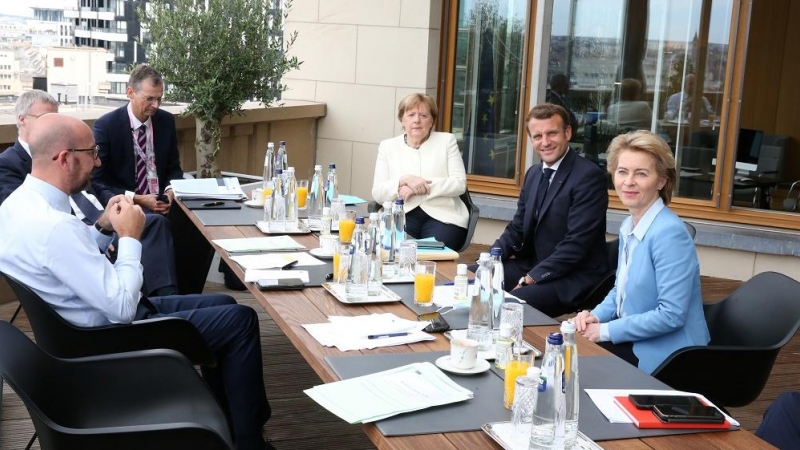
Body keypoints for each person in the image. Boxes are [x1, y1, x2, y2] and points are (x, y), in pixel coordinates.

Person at [0, 113, 271, 450]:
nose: (98, 163)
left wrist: (101, 227)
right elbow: (123, 308)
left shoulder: (18, 206)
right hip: (108, 338)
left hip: (76, 329)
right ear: (65, 158)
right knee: (241, 320)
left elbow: (65, 262)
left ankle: (233, 426)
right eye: (92, 153)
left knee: (225, 303)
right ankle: (248, 442)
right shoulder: (54, 227)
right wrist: (130, 237)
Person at [0, 89, 179, 296]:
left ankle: (166, 299)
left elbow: (94, 186)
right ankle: (163, 309)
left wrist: (113, 209)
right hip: (73, 241)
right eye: (44, 118)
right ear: (22, 120)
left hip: (98, 221)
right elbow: (30, 222)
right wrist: (88, 233)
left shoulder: (70, 154)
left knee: (159, 223)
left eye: (56, 118)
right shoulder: (9, 165)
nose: (53, 125)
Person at [574, 130, 710, 374]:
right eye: (622, 171)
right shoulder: (631, 225)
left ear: (661, 181)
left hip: (671, 355)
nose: (628, 181)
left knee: (575, 367)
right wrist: (595, 317)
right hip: (636, 338)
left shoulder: (669, 234)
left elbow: (671, 315)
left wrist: (604, 331)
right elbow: (621, 290)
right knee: (565, 352)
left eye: (641, 173)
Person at [492, 103, 609, 317]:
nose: (545, 142)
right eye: (537, 136)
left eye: (552, 133)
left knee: (508, 309)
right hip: (533, 264)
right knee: (472, 281)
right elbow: (517, 227)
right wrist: (490, 259)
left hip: (571, 276)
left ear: (568, 132)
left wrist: (531, 278)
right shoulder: (534, 173)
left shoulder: (588, 177)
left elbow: (577, 244)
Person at [372, 93, 469, 250]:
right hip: (401, 213)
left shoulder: (447, 141)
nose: (417, 120)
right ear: (402, 120)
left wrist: (417, 187)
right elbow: (378, 192)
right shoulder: (387, 147)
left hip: (443, 215)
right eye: (411, 115)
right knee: (394, 248)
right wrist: (403, 180)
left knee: (433, 251)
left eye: (423, 115)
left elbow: (459, 184)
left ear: (432, 121)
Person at [92, 64, 183, 213]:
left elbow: (174, 169)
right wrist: (138, 198)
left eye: (159, 99)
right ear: (130, 93)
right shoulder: (106, 126)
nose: (155, 105)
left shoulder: (166, 121)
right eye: (149, 99)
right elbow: (96, 181)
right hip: (126, 205)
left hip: (162, 203)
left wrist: (170, 192)